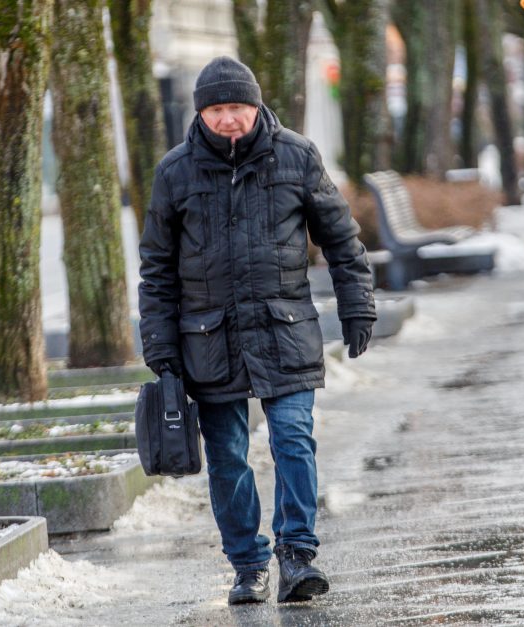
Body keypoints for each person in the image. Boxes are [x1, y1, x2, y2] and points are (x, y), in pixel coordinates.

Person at [138, 56, 377, 605]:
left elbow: (341, 240)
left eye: (238, 108)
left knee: (294, 439)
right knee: (227, 455)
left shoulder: (296, 155)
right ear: (201, 113)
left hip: (283, 330)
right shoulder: (175, 172)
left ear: (256, 106)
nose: (229, 119)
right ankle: (247, 563)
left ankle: (297, 555)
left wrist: (358, 307)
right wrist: (161, 347)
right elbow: (156, 268)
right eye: (217, 109)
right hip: (208, 340)